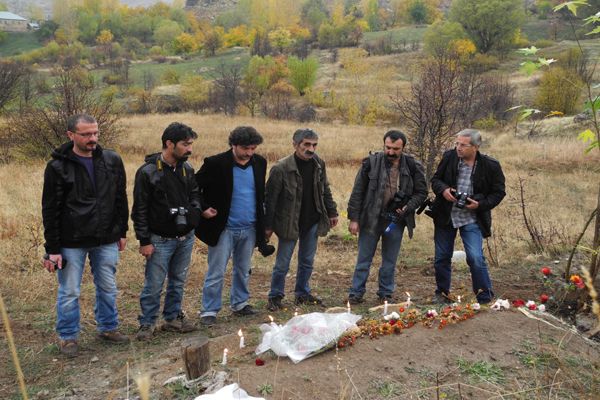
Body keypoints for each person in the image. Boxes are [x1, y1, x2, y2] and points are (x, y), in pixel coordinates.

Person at [42, 114, 130, 357]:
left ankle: (108, 328)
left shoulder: (111, 160)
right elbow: (50, 209)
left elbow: (120, 197)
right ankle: (68, 337)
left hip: (106, 239)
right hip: (72, 241)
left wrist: (121, 231)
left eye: (95, 133)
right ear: (71, 135)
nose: (93, 139)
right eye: (86, 134)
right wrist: (53, 248)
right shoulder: (57, 167)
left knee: (108, 286)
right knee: (69, 291)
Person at [132, 122, 204, 341]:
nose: (189, 149)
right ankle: (147, 323)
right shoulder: (148, 172)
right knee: (154, 283)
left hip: (184, 237)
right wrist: (144, 240)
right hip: (159, 239)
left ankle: (172, 317)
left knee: (178, 280)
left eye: (191, 144)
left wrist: (195, 213)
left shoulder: (187, 168)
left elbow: (194, 194)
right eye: (185, 144)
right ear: (169, 144)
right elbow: (140, 209)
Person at [196, 126, 269, 327]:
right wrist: (203, 208)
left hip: (250, 227)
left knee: (244, 269)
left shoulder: (260, 163)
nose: (249, 153)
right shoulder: (215, 163)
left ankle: (240, 303)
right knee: (216, 271)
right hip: (223, 228)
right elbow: (193, 187)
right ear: (233, 145)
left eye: (253, 148)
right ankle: (209, 310)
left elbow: (261, 195)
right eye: (245, 148)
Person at [347, 130, 427, 305]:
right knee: (363, 259)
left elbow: (421, 192)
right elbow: (357, 192)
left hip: (395, 221)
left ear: (403, 147)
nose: (390, 152)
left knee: (389, 260)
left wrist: (408, 207)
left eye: (395, 149)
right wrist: (354, 218)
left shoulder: (413, 166)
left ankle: (385, 293)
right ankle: (356, 292)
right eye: (388, 147)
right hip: (370, 218)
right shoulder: (370, 163)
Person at [265, 128, 338, 311]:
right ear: (295, 144)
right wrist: (268, 226)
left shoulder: (319, 163)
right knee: (282, 263)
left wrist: (332, 212)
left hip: (312, 220)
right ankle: (275, 296)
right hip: (289, 222)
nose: (311, 149)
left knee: (307, 261)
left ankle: (302, 294)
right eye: (306, 144)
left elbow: (325, 189)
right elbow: (270, 199)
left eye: (314, 145)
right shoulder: (281, 168)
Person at [429, 129, 505, 304]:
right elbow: (435, 180)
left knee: (475, 257)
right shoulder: (449, 158)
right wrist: (444, 190)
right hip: (446, 216)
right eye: (457, 143)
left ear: (476, 147)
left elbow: (499, 192)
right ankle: (442, 293)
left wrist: (480, 205)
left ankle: (484, 297)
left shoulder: (490, 165)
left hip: (472, 217)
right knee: (441, 257)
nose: (458, 148)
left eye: (463, 145)